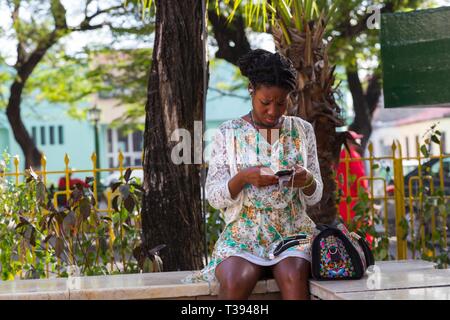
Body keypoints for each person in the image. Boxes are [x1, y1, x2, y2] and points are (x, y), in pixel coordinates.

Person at [184, 49, 323, 300]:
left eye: (282, 103)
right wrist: (243, 178)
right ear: (252, 90)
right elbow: (214, 196)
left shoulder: (302, 130)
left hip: (292, 231)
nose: (273, 111)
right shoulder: (228, 133)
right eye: (265, 102)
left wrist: (308, 181)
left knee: (293, 276)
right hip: (244, 232)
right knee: (235, 280)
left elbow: (315, 196)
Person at [335, 131, 372, 244]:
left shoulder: (339, 155)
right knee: (360, 235)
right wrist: (367, 196)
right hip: (354, 202)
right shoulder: (353, 155)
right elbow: (360, 180)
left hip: (342, 201)